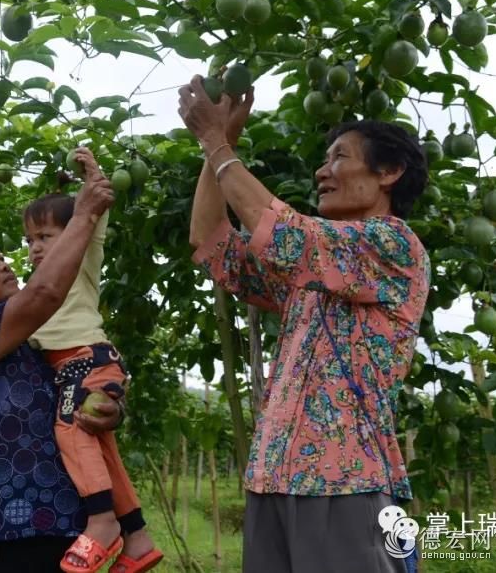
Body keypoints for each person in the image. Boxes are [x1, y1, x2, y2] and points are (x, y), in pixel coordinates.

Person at [177, 77, 430, 573]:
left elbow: (288, 235)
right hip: (273, 475)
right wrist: (214, 152)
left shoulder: (393, 245)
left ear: (390, 172)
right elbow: (213, 243)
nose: (322, 171)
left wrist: (217, 141)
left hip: (344, 480)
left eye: (340, 157)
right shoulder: (312, 275)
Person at [0, 149, 156, 573]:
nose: (7, 260)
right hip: (7, 537)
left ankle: (129, 532)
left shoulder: (32, 339)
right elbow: (45, 293)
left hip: (66, 529)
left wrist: (110, 407)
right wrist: (81, 214)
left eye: (0, 253)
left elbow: (77, 382)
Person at [22, 186, 161, 573]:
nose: (35, 247)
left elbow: (95, 224)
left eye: (45, 237)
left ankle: (102, 520)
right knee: (102, 450)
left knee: (71, 430)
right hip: (79, 366)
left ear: (73, 236)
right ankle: (137, 537)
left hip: (86, 361)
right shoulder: (37, 289)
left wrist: (95, 181)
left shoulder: (78, 265)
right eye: (30, 240)